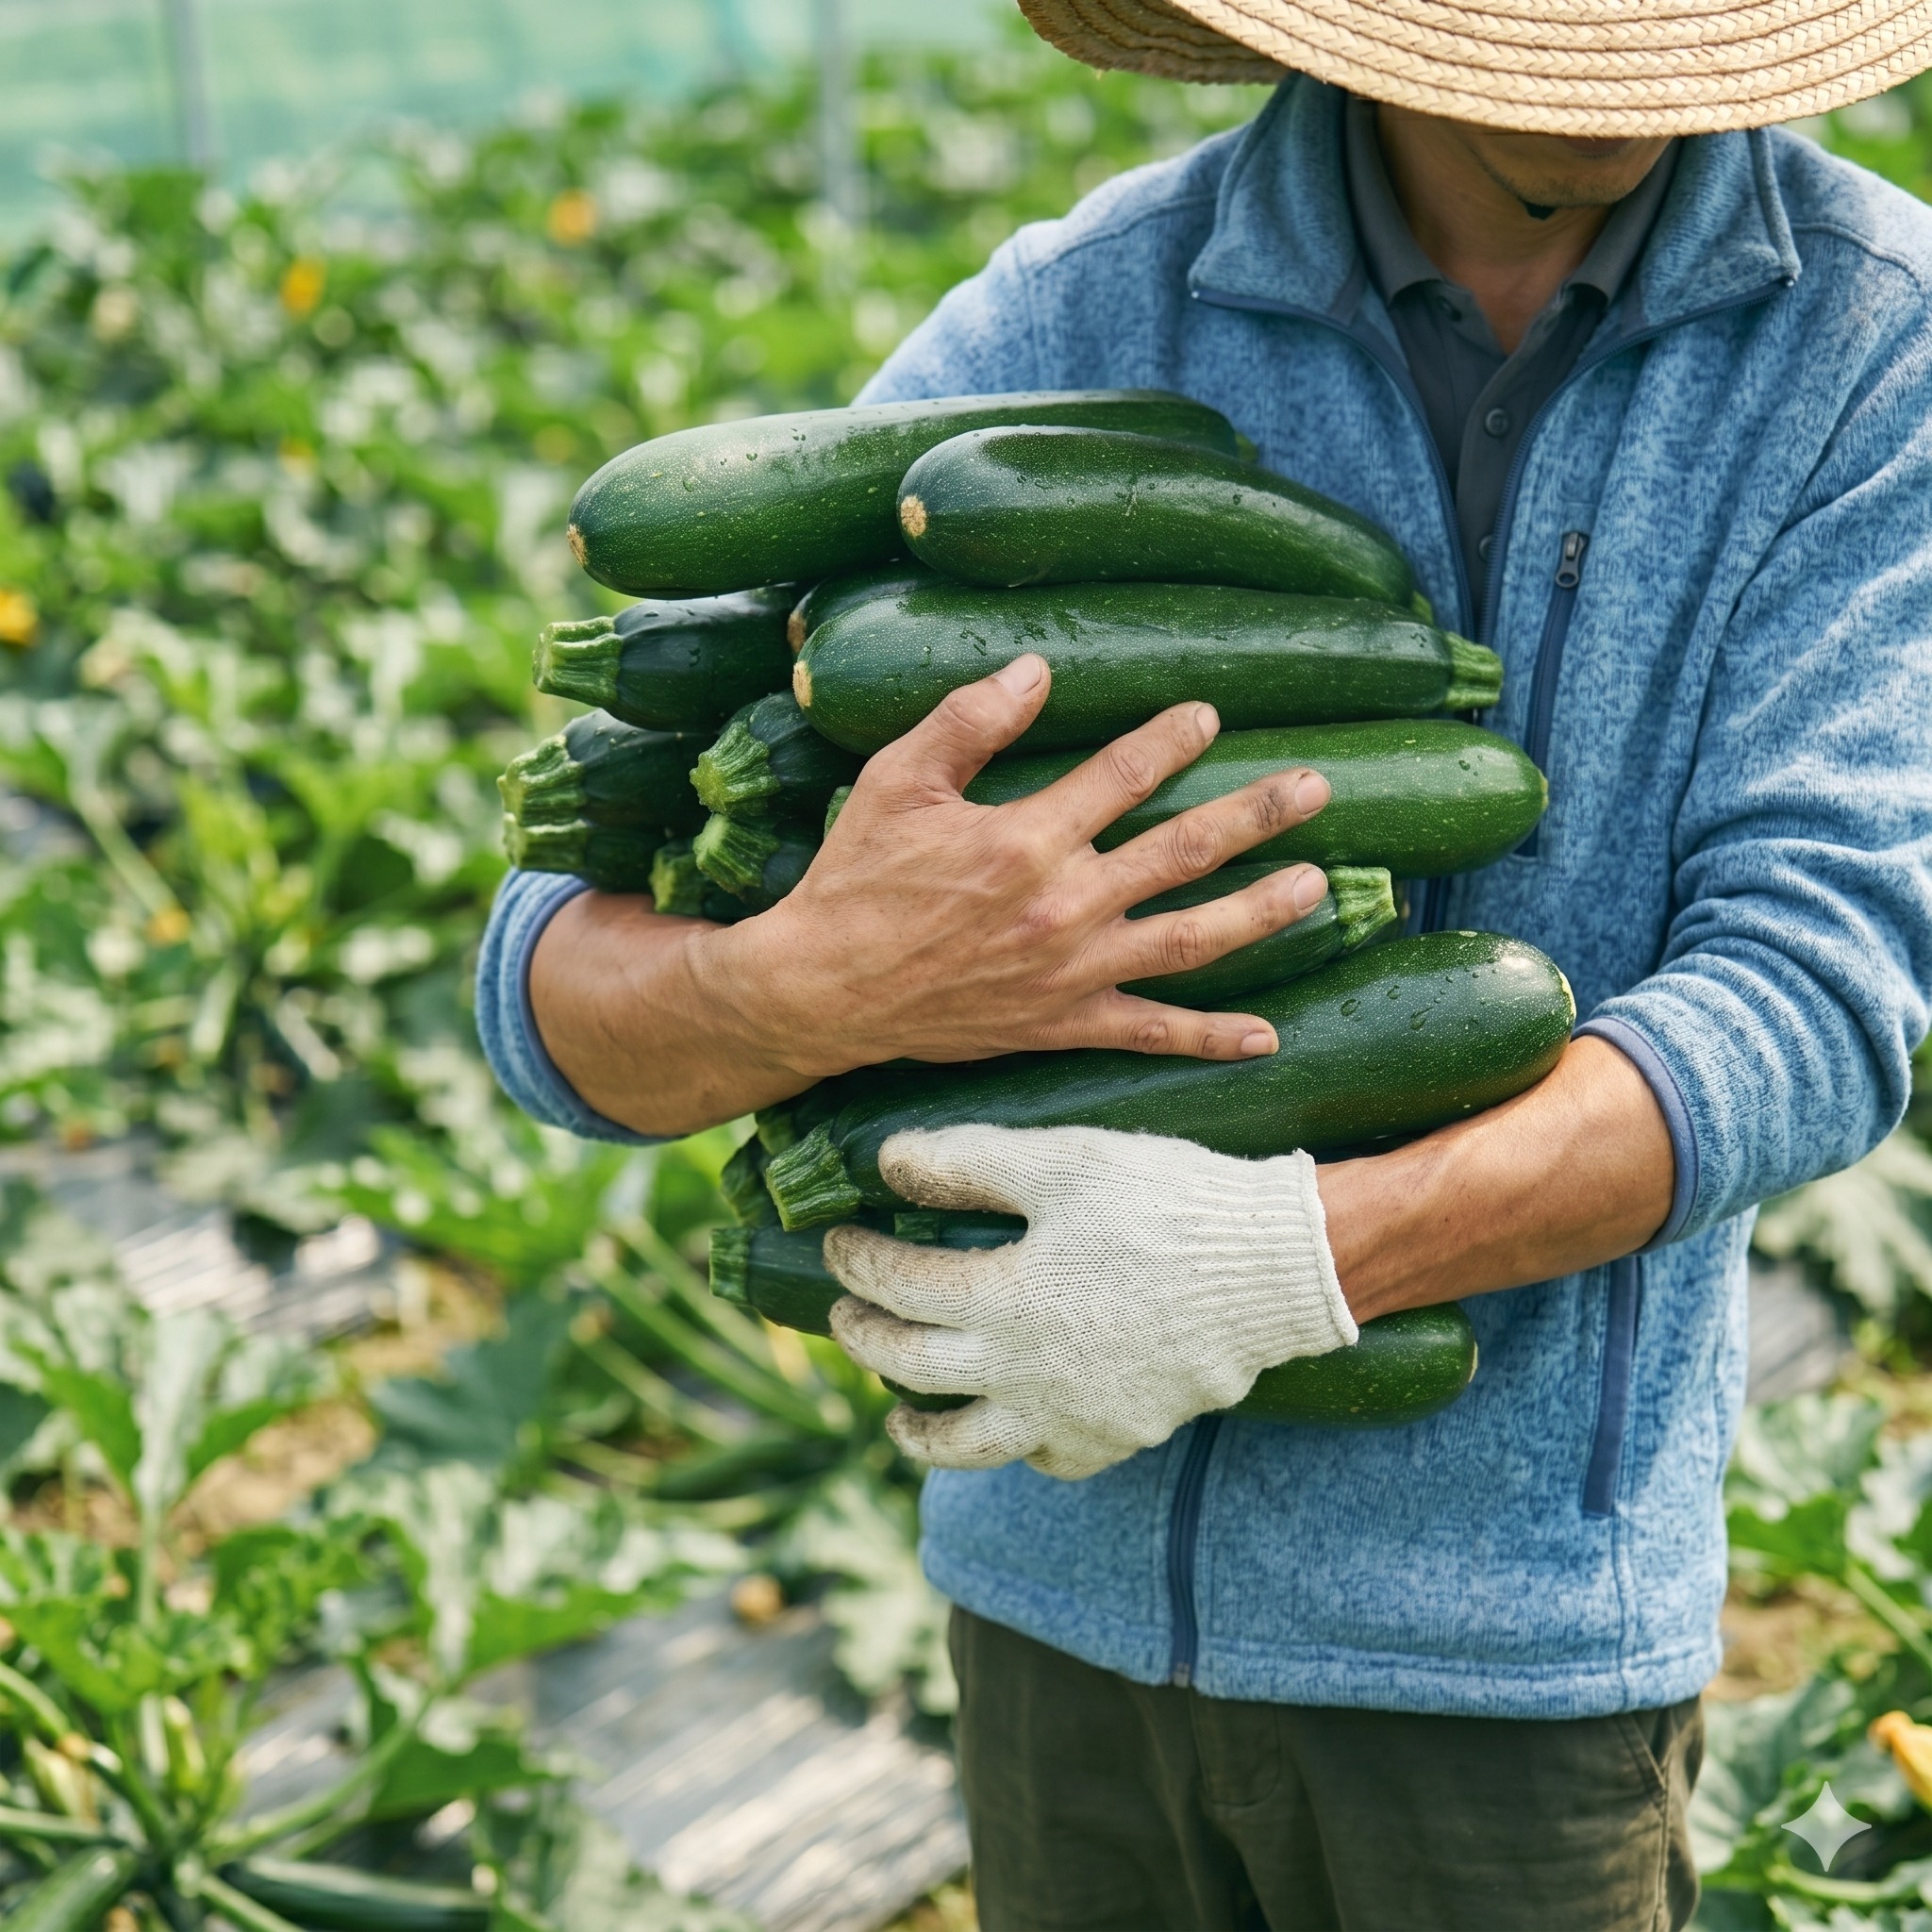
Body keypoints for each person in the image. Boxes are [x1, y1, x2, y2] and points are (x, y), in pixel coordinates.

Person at [478, 0, 1932, 1922]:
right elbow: (541, 980)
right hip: (1052, 1618)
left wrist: (1292, 1264)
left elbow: (1815, 997)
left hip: (1507, 1670)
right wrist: (809, 983)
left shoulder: (1869, 351)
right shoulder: (1081, 326)